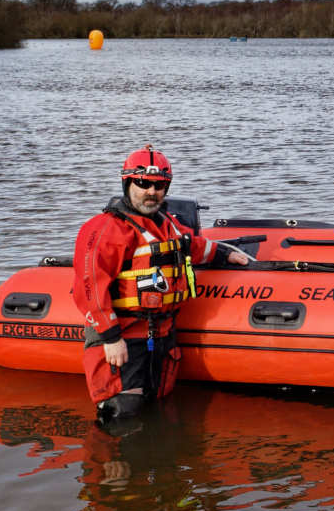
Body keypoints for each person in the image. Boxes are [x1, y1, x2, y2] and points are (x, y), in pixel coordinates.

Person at [72, 144, 251, 424]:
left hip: (162, 332)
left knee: (158, 405)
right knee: (122, 411)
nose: (151, 191)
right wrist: (110, 337)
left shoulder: (167, 224)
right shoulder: (105, 229)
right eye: (143, 183)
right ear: (127, 182)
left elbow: (191, 246)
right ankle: (111, 461)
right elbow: (89, 287)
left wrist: (224, 252)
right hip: (125, 335)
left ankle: (155, 462)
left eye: (159, 185)